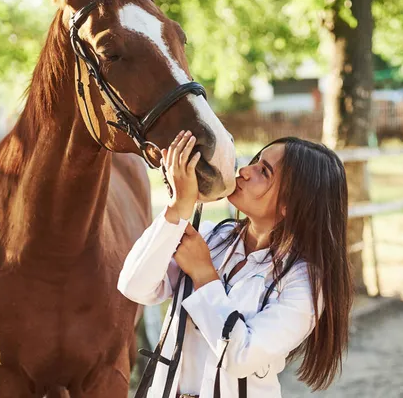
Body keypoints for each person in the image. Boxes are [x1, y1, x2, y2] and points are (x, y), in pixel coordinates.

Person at [118, 131, 354, 398]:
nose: (244, 170)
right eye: (254, 160)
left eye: (263, 172)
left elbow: (242, 356)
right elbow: (134, 286)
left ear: (292, 204)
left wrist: (204, 274)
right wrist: (178, 207)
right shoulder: (209, 237)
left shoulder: (305, 282)